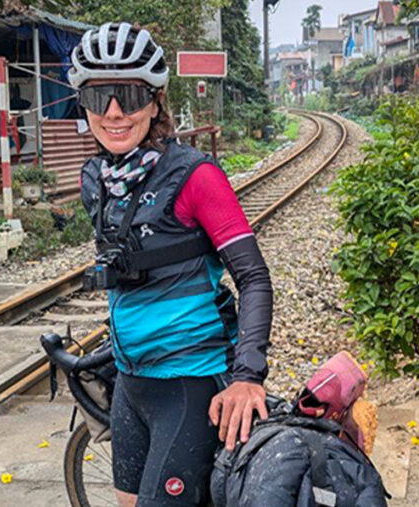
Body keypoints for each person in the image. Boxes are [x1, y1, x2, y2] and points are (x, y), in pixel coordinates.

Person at [70, 22, 273, 507]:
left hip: (190, 383)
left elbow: (253, 277)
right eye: (98, 98)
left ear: (155, 101)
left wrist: (247, 376)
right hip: (131, 384)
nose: (114, 112)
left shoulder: (195, 176)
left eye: (128, 96)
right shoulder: (96, 179)